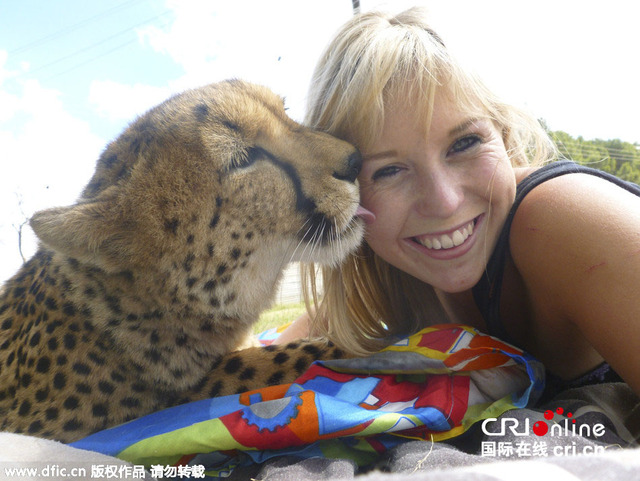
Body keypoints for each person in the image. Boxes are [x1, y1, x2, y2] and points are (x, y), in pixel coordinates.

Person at [274, 7, 640, 399]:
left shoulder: (564, 219)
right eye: (388, 171)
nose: (445, 202)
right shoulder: (385, 269)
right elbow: (270, 360)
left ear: (503, 132)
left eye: (464, 143)